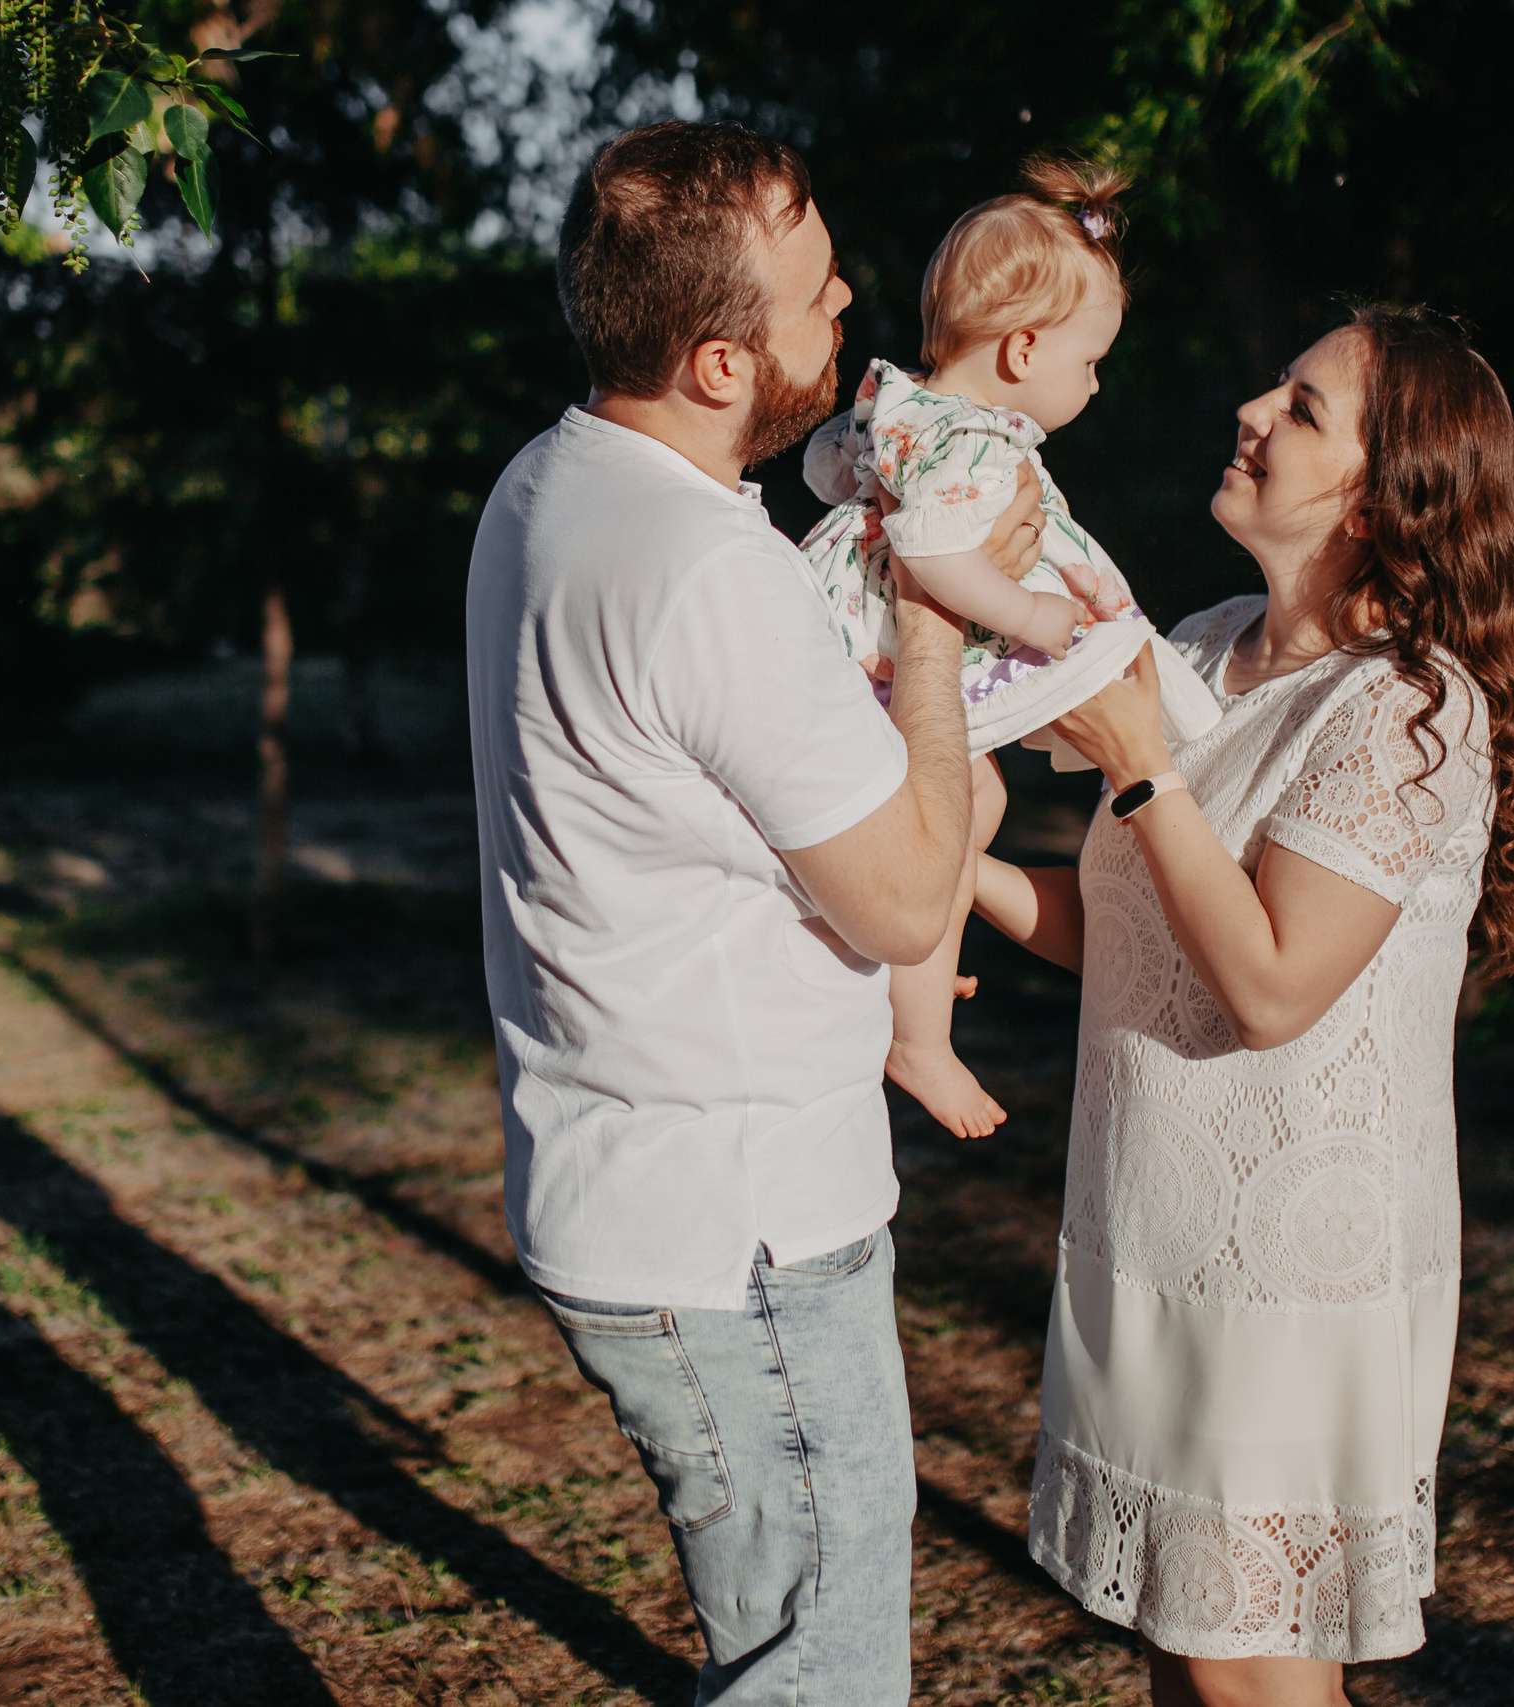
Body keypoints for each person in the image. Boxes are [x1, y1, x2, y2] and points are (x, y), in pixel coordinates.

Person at [463, 120, 1043, 1706]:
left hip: (633, 1175)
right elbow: (913, 891)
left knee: (784, 1640)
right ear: (722, 364)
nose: (851, 297)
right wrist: (932, 624)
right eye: (812, 292)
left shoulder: (553, 482)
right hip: (740, 1222)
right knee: (824, 1670)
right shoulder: (702, 568)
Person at [969, 307, 1514, 1707]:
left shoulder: (1412, 711)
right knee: (1188, 1646)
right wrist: (951, 885)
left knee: (1249, 1668)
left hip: (1296, 1269)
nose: (1251, 407)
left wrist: (1137, 765)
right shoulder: (1211, 644)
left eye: (1299, 406)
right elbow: (1139, 924)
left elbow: (1273, 978)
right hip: (1152, 1228)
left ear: (1379, 495)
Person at [796, 158, 1219, 1140]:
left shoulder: (902, 411)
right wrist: (1028, 619)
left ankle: (910, 987)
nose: (1096, 381)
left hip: (861, 646)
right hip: (891, 654)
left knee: (960, 807)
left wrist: (862, 470)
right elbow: (934, 553)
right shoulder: (977, 442)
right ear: (1024, 350)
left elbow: (826, 468)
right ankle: (920, 1036)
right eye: (1090, 361)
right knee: (966, 803)